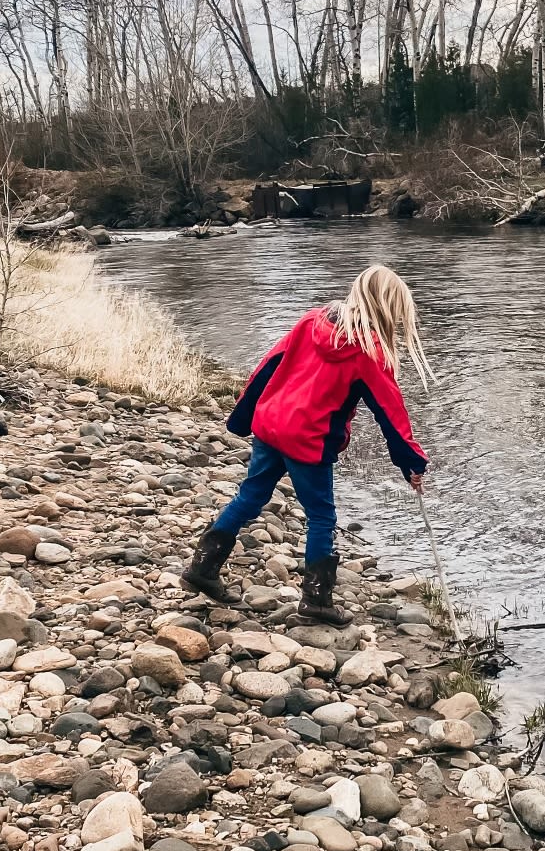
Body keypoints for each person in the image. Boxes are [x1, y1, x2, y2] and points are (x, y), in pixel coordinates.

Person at [182, 262, 430, 625]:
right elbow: (390, 413)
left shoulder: (311, 320)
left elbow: (268, 367)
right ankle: (317, 599)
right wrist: (411, 462)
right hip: (308, 440)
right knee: (321, 516)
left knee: (249, 497)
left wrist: (242, 417)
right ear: (390, 309)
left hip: (271, 424)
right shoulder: (369, 352)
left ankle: (202, 568)